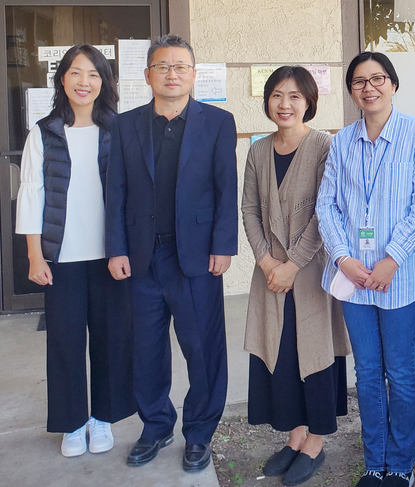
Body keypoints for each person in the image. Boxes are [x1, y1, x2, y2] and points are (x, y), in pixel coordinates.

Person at [105, 34, 237, 472]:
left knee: (203, 350)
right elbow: (116, 193)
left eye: (181, 66)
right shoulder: (125, 125)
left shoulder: (218, 123)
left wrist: (223, 246)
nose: (172, 74)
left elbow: (225, 189)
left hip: (196, 259)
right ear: (148, 75)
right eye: (163, 66)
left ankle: (199, 433)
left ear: (194, 75)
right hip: (142, 258)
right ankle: (156, 425)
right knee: (146, 350)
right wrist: (116, 249)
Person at [316, 52, 415, 487]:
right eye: (359, 82)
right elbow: (326, 205)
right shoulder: (342, 142)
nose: (369, 88)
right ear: (351, 92)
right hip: (353, 278)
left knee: (400, 371)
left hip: (400, 276)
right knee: (367, 370)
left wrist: (392, 259)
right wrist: (343, 258)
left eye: (378, 79)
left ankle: (401, 466)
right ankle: (375, 462)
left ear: (393, 84)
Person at [15, 45, 136, 458]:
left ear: (104, 83)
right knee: (65, 342)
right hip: (60, 257)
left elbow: (131, 195)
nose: (84, 82)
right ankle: (72, 423)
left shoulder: (117, 130)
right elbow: (31, 194)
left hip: (110, 255)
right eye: (75, 73)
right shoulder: (44, 132)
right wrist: (34, 255)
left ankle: (102, 417)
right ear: (62, 79)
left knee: (110, 338)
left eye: (94, 74)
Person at [242, 66, 351, 486]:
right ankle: (294, 437)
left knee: (314, 350)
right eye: (276, 96)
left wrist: (292, 265)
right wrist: (268, 262)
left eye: (294, 96)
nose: (284, 104)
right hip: (269, 275)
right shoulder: (258, 150)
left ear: (309, 102)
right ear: (267, 100)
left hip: (311, 275)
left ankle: (316, 443)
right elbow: (249, 209)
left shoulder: (325, 146)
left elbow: (328, 213)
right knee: (282, 352)